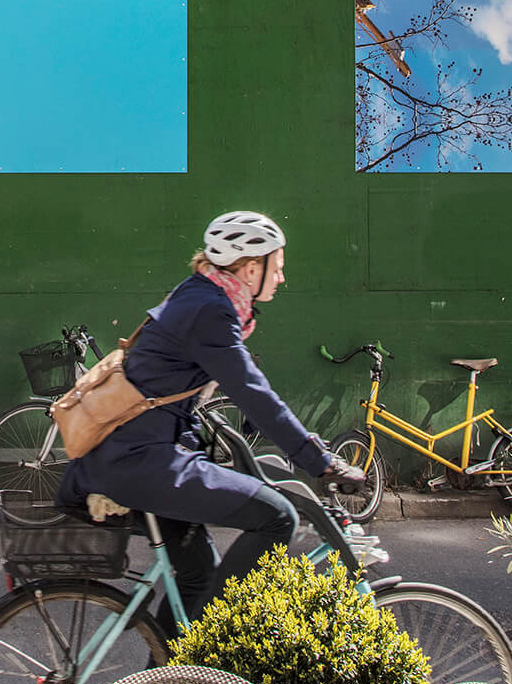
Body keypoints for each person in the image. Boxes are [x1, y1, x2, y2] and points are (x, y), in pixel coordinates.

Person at [57, 210, 372, 628]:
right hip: (141, 459)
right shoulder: (210, 310)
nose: (281, 278)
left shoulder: (200, 294)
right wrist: (319, 461)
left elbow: (229, 391)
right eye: (277, 268)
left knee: (196, 577)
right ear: (250, 267)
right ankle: (209, 642)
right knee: (277, 517)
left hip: (137, 454)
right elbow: (251, 391)